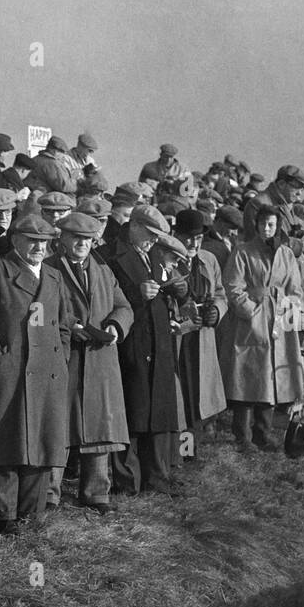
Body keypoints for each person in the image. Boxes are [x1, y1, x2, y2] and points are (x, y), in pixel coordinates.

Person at [0, 213, 72, 533]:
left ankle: (30, 513)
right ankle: (2, 516)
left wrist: (60, 359)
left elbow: (63, 325)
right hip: (10, 370)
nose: (38, 247)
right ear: (15, 239)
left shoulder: (53, 277)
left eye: (44, 242)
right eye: (31, 241)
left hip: (46, 372)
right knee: (4, 442)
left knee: (41, 441)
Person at [46, 211, 134, 512]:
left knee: (100, 427)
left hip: (99, 359)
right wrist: (70, 326)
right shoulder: (49, 268)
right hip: (65, 356)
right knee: (58, 424)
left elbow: (123, 305)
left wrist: (114, 326)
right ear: (63, 238)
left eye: (87, 239)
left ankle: (96, 492)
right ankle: (50, 493)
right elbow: (44, 306)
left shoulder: (102, 268)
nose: (82, 243)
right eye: (76, 237)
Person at [107, 206, 190, 494]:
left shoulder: (153, 255)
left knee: (156, 411)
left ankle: (156, 476)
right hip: (132, 342)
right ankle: (128, 480)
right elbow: (109, 300)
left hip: (158, 341)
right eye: (150, 234)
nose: (155, 241)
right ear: (134, 227)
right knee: (132, 410)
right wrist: (136, 295)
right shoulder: (110, 256)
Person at [221, 204, 304, 450]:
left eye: (272, 224)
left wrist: (289, 308)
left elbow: (295, 288)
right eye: (263, 224)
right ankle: (242, 435)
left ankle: (263, 432)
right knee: (247, 375)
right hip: (252, 320)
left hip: (278, 320)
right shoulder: (243, 252)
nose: (267, 229)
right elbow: (232, 286)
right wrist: (249, 310)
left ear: (278, 226)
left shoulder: (286, 254)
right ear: (256, 226)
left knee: (270, 376)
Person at [171, 209, 228, 450]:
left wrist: (217, 310)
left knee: (199, 393)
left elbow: (221, 293)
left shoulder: (208, 259)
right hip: (179, 337)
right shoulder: (167, 259)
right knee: (180, 392)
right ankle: (178, 450)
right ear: (176, 235)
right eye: (188, 238)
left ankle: (192, 447)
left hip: (203, 337)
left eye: (198, 238)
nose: (193, 243)